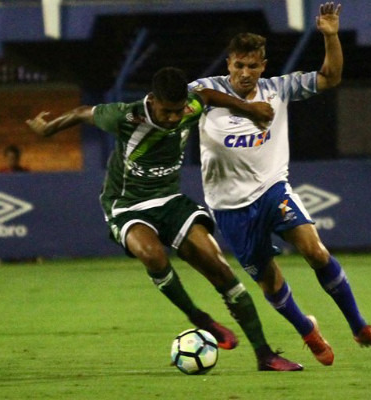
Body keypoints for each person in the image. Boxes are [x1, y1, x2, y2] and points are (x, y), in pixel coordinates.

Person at [25, 67, 303, 371]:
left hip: (170, 201)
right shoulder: (126, 116)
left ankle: (264, 355)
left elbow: (207, 95)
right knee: (152, 255)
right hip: (127, 204)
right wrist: (48, 129)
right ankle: (199, 318)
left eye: (178, 110)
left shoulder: (189, 105)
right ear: (152, 100)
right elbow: (81, 112)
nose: (174, 118)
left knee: (218, 265)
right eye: (167, 111)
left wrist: (248, 109)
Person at [188, 2, 371, 366]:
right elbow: (194, 98)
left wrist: (330, 36)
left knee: (315, 250)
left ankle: (360, 327)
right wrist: (247, 109)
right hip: (230, 207)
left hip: (273, 191)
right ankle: (307, 331)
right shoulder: (207, 90)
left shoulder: (278, 89)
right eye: (239, 65)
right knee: (269, 280)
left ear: (263, 66)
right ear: (229, 63)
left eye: (253, 66)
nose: (246, 73)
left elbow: (330, 77)